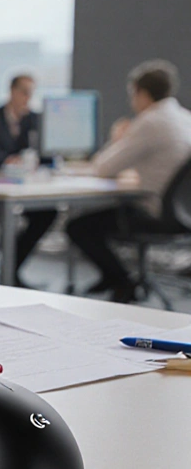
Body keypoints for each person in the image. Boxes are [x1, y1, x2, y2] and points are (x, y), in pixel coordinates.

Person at [66, 60, 191, 303]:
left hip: (153, 213)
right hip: (183, 215)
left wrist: (117, 137)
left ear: (141, 93)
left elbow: (103, 168)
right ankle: (116, 279)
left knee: (78, 227)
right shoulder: (185, 117)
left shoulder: (150, 121)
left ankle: (121, 280)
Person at [0, 74, 58, 285]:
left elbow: (45, 154)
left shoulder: (33, 119)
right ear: (12, 91)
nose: (28, 98)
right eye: (24, 92)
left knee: (48, 212)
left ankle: (11, 267)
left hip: (25, 187)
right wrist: (11, 162)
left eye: (31, 93)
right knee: (7, 213)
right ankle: (9, 272)